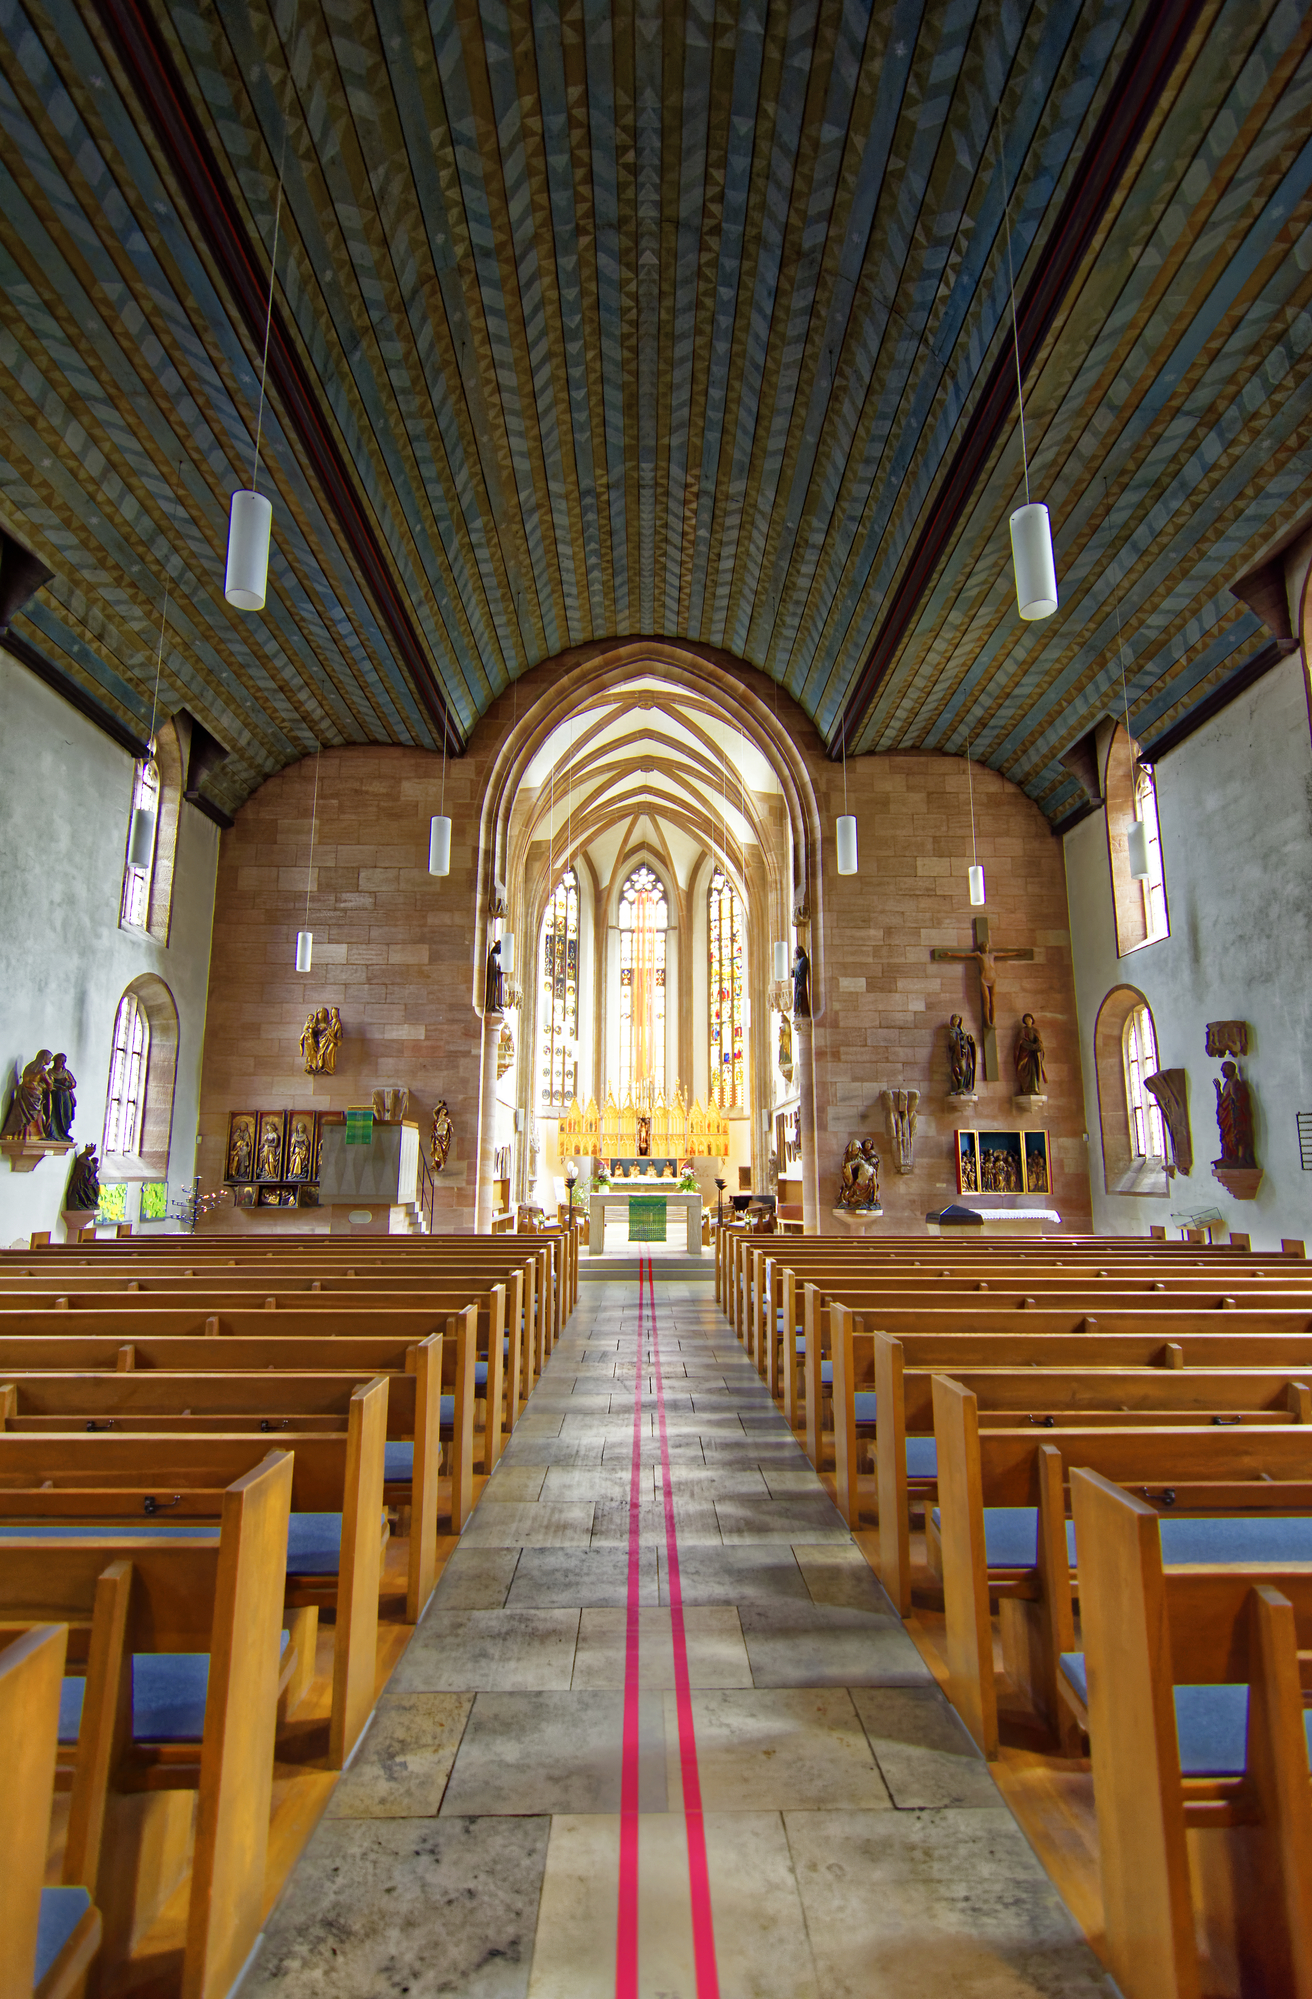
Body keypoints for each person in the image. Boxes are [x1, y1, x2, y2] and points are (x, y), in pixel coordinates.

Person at [1, 1050, 52, 1141]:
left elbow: (26, 1081)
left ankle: (18, 1135)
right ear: (44, 1057)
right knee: (35, 1116)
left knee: (22, 1115)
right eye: (49, 1058)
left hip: (24, 1093)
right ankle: (35, 1135)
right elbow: (50, 1085)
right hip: (34, 1095)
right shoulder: (42, 1070)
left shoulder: (29, 1067)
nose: (50, 1060)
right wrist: (43, 1085)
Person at [1214, 1061, 1256, 1166]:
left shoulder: (1237, 1083)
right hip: (1226, 1116)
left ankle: (1241, 1158)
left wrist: (1233, 1090)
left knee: (1238, 1135)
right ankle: (1229, 1157)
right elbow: (1222, 1101)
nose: (1222, 1071)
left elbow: (1239, 1100)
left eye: (1224, 1069)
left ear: (1231, 1070)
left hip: (1236, 1115)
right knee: (1227, 1137)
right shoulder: (1226, 1084)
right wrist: (1218, 1089)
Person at [46, 1053, 76, 1141]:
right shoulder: (50, 1072)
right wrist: (57, 1085)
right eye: (60, 1061)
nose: (62, 1063)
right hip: (56, 1096)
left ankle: (64, 1133)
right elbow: (49, 1083)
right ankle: (56, 1133)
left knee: (66, 1114)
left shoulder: (66, 1072)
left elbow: (73, 1083)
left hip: (65, 1096)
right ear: (55, 1061)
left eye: (64, 1061)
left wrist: (66, 1084)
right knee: (57, 1114)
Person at [1015, 1013, 1046, 1096]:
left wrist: (1038, 1046)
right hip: (1026, 1055)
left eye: (1029, 1019)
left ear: (1032, 1020)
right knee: (1026, 1071)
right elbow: (1021, 1043)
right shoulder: (1022, 1031)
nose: (1028, 1021)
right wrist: (1031, 1046)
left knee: (1035, 1071)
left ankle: (1035, 1088)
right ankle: (1026, 1088)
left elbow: (1039, 1042)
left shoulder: (1036, 1031)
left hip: (1034, 1055)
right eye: (1026, 1020)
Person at [947, 1015, 976, 1094]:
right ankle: (959, 1086)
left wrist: (968, 1037)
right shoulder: (952, 1031)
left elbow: (969, 1040)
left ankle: (965, 1086)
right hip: (957, 1054)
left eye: (958, 1021)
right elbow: (952, 1042)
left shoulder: (963, 1030)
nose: (956, 1022)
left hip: (965, 1054)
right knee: (959, 1069)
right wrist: (960, 1038)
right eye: (955, 1021)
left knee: (966, 1069)